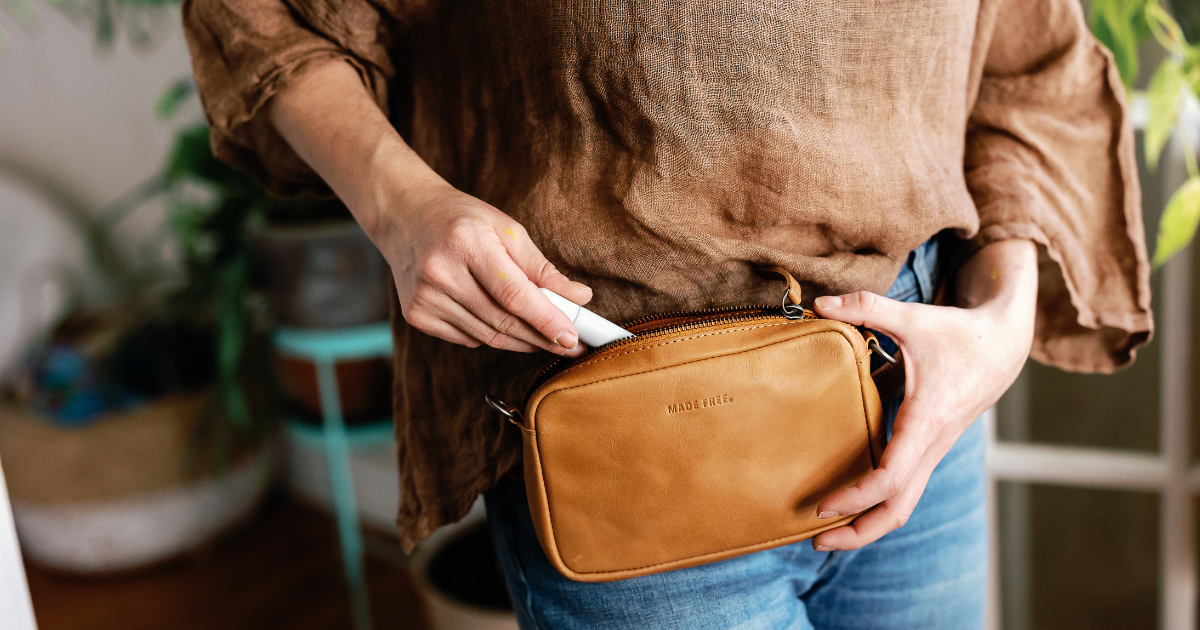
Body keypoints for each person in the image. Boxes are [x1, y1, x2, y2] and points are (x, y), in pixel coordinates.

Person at [182, 0, 1153, 627]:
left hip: (916, 406)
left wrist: (1000, 326)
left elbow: (1030, 70)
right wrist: (397, 203)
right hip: (619, 422)